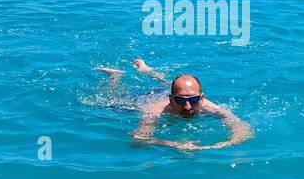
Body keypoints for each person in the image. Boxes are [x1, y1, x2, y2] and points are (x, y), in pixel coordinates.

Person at [96, 58, 252, 151]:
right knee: (108, 101)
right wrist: (173, 144)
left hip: (171, 91)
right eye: (181, 100)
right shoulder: (153, 112)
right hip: (147, 99)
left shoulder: (210, 107)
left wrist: (215, 147)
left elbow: (244, 131)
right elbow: (137, 140)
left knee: (167, 83)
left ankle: (144, 69)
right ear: (171, 100)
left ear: (201, 98)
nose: (187, 107)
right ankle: (115, 77)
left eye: (193, 100)